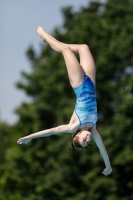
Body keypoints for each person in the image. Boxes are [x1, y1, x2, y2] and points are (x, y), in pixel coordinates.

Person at [17, 26, 112, 176]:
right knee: (83, 47)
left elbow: (51, 131)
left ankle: (44, 35)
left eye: (83, 140)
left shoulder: (73, 126)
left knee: (66, 50)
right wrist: (108, 167)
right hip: (91, 82)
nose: (87, 139)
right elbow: (102, 149)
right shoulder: (93, 129)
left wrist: (30, 137)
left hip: (79, 84)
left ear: (77, 136)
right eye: (88, 142)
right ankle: (56, 42)